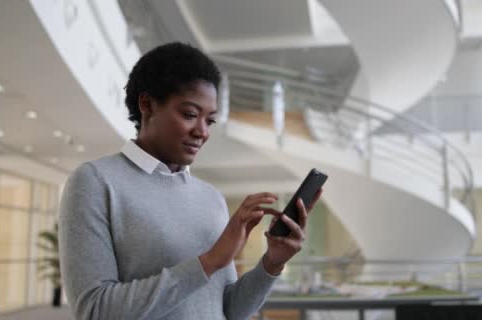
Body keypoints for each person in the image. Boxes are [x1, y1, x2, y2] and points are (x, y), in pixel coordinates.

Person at [59, 42, 322, 320]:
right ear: (147, 104)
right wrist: (208, 262)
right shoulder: (94, 182)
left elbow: (231, 311)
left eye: (210, 121)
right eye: (189, 115)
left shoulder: (211, 197)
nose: (202, 132)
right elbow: (94, 311)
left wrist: (272, 264)